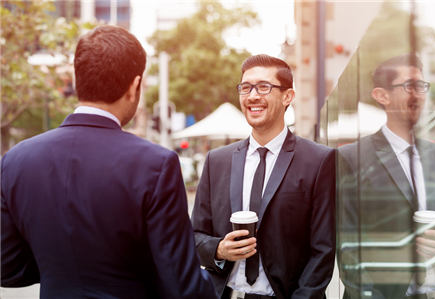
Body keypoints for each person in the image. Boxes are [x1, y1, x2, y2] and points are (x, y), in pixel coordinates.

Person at [1, 25, 216, 299]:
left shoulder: (15, 161)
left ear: (79, 81)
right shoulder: (156, 164)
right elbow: (184, 286)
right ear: (135, 86)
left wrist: (58, 268)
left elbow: (6, 266)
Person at [192, 54, 336, 299]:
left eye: (264, 87)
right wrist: (219, 249)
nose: (253, 96)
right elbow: (193, 237)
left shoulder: (319, 160)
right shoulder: (217, 161)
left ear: (287, 96)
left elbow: (322, 251)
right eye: (246, 87)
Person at [337, 54, 435, 298]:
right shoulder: (350, 158)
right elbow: (348, 247)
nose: (419, 94)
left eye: (422, 86)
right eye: (410, 86)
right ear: (382, 95)